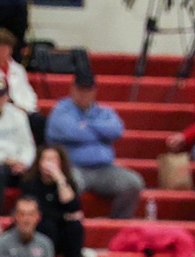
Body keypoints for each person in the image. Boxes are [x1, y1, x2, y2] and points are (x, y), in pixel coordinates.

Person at [45, 72, 145, 219]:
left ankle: (117, 223)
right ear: (73, 89)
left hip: (104, 168)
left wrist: (87, 125)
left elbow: (116, 129)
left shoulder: (104, 112)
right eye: (81, 89)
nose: (84, 94)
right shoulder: (61, 110)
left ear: (94, 91)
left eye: (88, 90)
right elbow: (71, 132)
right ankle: (67, 223)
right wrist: (100, 133)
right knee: (68, 185)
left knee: (133, 183)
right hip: (73, 167)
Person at [19, 145, 85, 257]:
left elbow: (73, 207)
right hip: (39, 228)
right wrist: (63, 216)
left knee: (75, 227)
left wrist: (60, 179)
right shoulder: (30, 182)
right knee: (48, 226)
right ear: (38, 162)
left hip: (61, 230)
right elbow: (37, 211)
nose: (49, 163)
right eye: (46, 159)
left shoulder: (67, 182)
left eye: (53, 159)